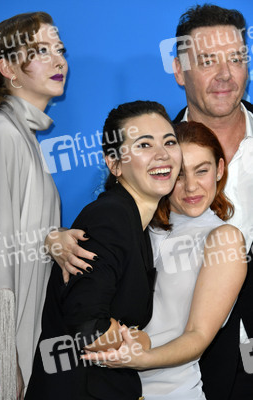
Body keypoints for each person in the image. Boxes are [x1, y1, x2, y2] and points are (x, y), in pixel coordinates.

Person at [25, 100, 182, 400]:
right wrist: (140, 340)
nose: (162, 154)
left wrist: (135, 339)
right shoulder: (110, 218)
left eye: (169, 141)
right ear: (114, 164)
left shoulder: (135, 223)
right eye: (144, 145)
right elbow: (88, 328)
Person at [82, 120, 247, 400]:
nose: (191, 186)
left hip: (173, 390)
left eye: (202, 170)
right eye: (179, 174)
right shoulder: (138, 224)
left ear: (219, 170)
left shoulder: (224, 238)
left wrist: (138, 359)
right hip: (108, 387)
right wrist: (56, 238)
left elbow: (197, 337)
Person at [0, 12, 95, 399]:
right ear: (7, 66)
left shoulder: (23, 137)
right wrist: (4, 361)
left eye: (60, 50)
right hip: (7, 344)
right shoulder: (1, 134)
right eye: (40, 51)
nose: (59, 60)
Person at [172, 5, 253, 399]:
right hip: (188, 371)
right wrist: (57, 240)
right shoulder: (152, 156)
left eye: (237, 59)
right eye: (208, 61)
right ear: (178, 70)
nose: (226, 74)